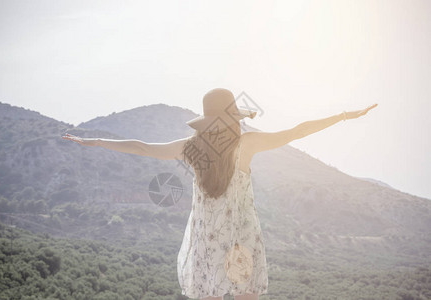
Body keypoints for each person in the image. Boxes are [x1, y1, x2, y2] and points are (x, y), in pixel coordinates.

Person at [62, 88, 377, 300]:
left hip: (207, 237)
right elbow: (297, 131)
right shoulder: (247, 145)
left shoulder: (190, 148)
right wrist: (343, 116)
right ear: (234, 118)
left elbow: (142, 147)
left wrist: (95, 141)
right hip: (241, 236)